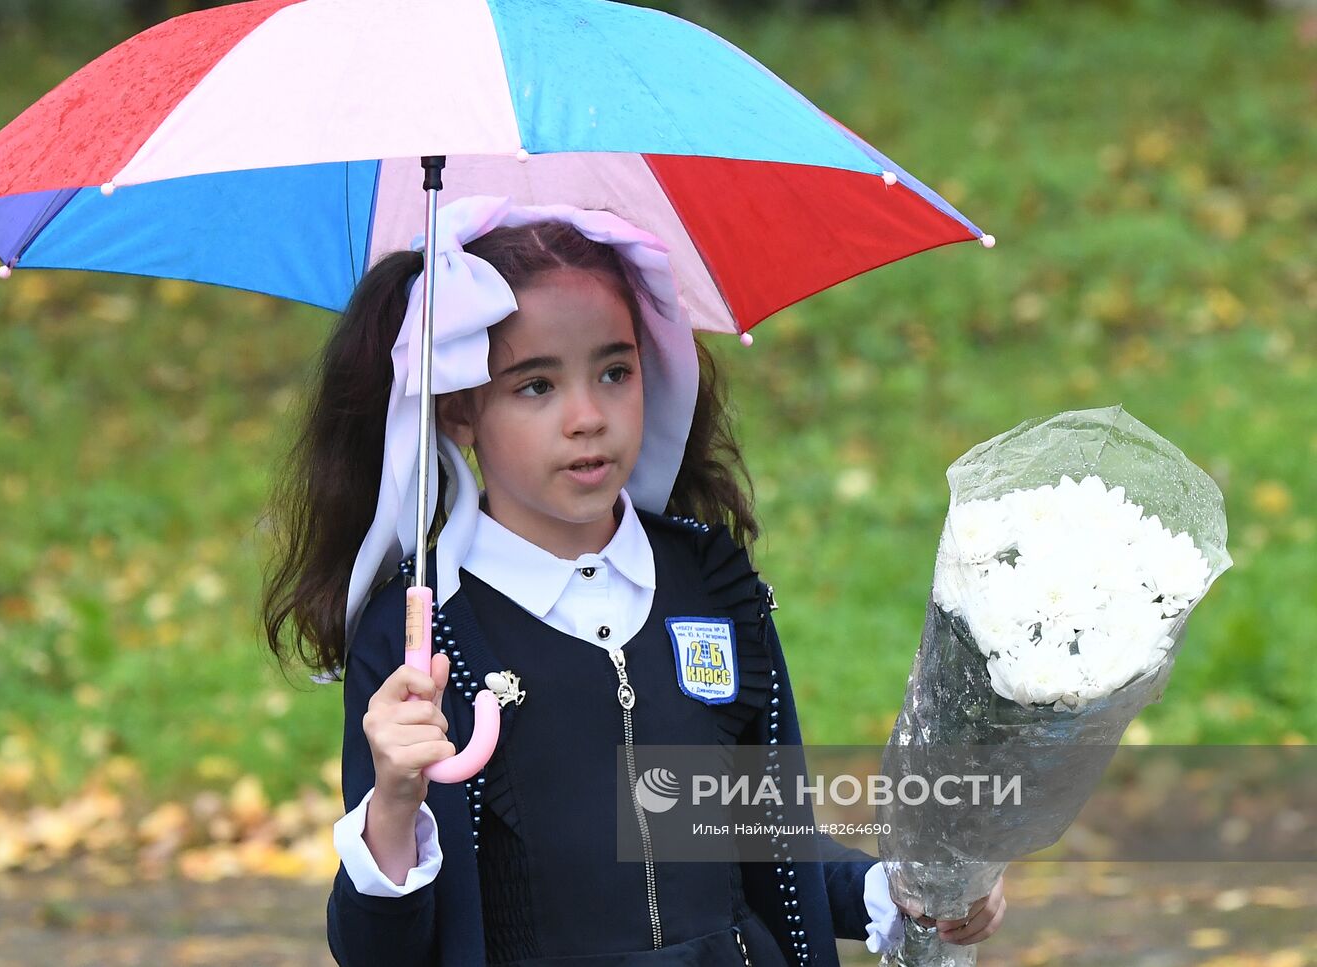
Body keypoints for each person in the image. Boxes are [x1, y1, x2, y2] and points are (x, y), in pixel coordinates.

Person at [261, 195, 1005, 965]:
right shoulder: (420, 634)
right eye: (536, 385)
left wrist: (902, 889)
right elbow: (375, 951)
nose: (588, 415)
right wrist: (394, 802)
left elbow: (759, 841)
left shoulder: (709, 585)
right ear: (457, 410)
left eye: (614, 370)